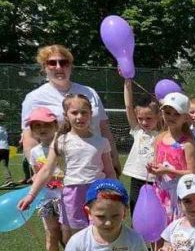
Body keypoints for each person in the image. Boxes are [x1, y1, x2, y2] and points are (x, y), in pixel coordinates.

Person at [18, 94, 116, 240]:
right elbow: (46, 170)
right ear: (66, 115)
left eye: (84, 112)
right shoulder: (60, 141)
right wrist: (31, 195)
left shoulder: (101, 142)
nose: (79, 116)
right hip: (72, 194)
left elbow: (109, 171)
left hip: (98, 192)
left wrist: (116, 192)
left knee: (99, 233)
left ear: (90, 114)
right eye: (74, 112)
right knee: (77, 236)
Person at [20, 45, 121, 174]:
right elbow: (29, 138)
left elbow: (104, 129)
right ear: (44, 67)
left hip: (97, 165)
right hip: (59, 170)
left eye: (63, 62)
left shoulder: (90, 92)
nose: (58, 67)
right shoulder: (33, 98)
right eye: (52, 63)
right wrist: (40, 171)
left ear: (70, 66)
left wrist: (114, 159)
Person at [147, 92, 195, 223]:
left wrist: (168, 171)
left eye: (176, 114)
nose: (171, 117)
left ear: (185, 117)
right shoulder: (159, 138)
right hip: (160, 191)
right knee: (158, 224)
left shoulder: (187, 143)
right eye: (168, 113)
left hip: (178, 193)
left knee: (175, 226)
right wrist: (153, 168)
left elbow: (192, 173)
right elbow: (157, 164)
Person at [26, 108, 65, 251]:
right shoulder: (35, 152)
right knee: (51, 234)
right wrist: (35, 178)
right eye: (37, 126)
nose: (42, 129)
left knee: (67, 234)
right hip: (46, 199)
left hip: (65, 197)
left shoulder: (63, 146)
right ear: (32, 130)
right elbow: (37, 174)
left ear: (55, 126)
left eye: (46, 125)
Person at [122, 79, 161, 215]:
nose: (144, 122)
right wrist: (127, 83)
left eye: (149, 118)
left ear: (158, 116)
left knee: (155, 212)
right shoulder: (137, 130)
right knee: (136, 210)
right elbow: (128, 106)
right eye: (140, 118)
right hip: (137, 178)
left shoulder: (163, 134)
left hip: (157, 180)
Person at [0, 112, 14, 188]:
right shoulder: (4, 128)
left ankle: (9, 180)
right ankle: (9, 180)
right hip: (6, 148)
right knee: (5, 165)